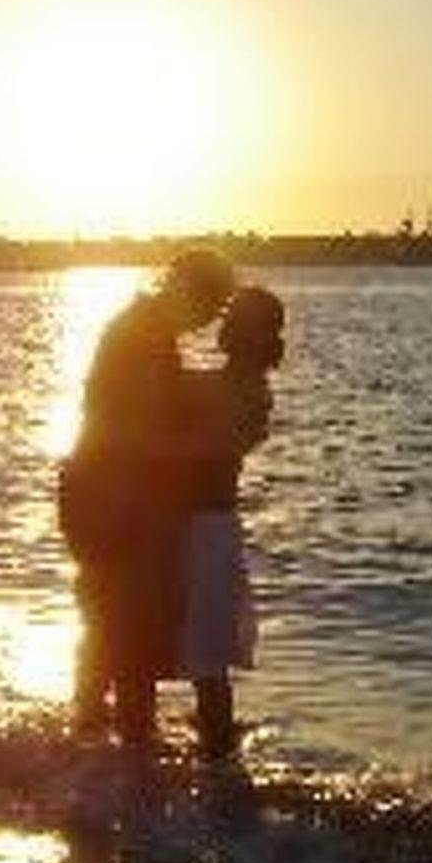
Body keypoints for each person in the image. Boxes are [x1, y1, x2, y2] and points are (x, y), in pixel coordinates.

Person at [59, 250, 236, 749]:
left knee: (109, 626)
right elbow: (133, 434)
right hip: (111, 499)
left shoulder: (143, 329)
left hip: (98, 493)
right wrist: (210, 449)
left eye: (221, 306)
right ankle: (129, 754)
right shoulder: (144, 336)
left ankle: (88, 746)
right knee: (127, 632)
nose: (214, 315)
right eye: (214, 302)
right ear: (187, 290)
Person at [178, 286, 284, 761]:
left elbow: (214, 447)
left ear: (259, 335)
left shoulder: (249, 390)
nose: (226, 327)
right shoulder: (224, 381)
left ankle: (218, 762)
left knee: (207, 659)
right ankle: (213, 756)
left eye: (238, 320)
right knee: (200, 655)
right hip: (194, 524)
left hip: (210, 529)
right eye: (228, 318)